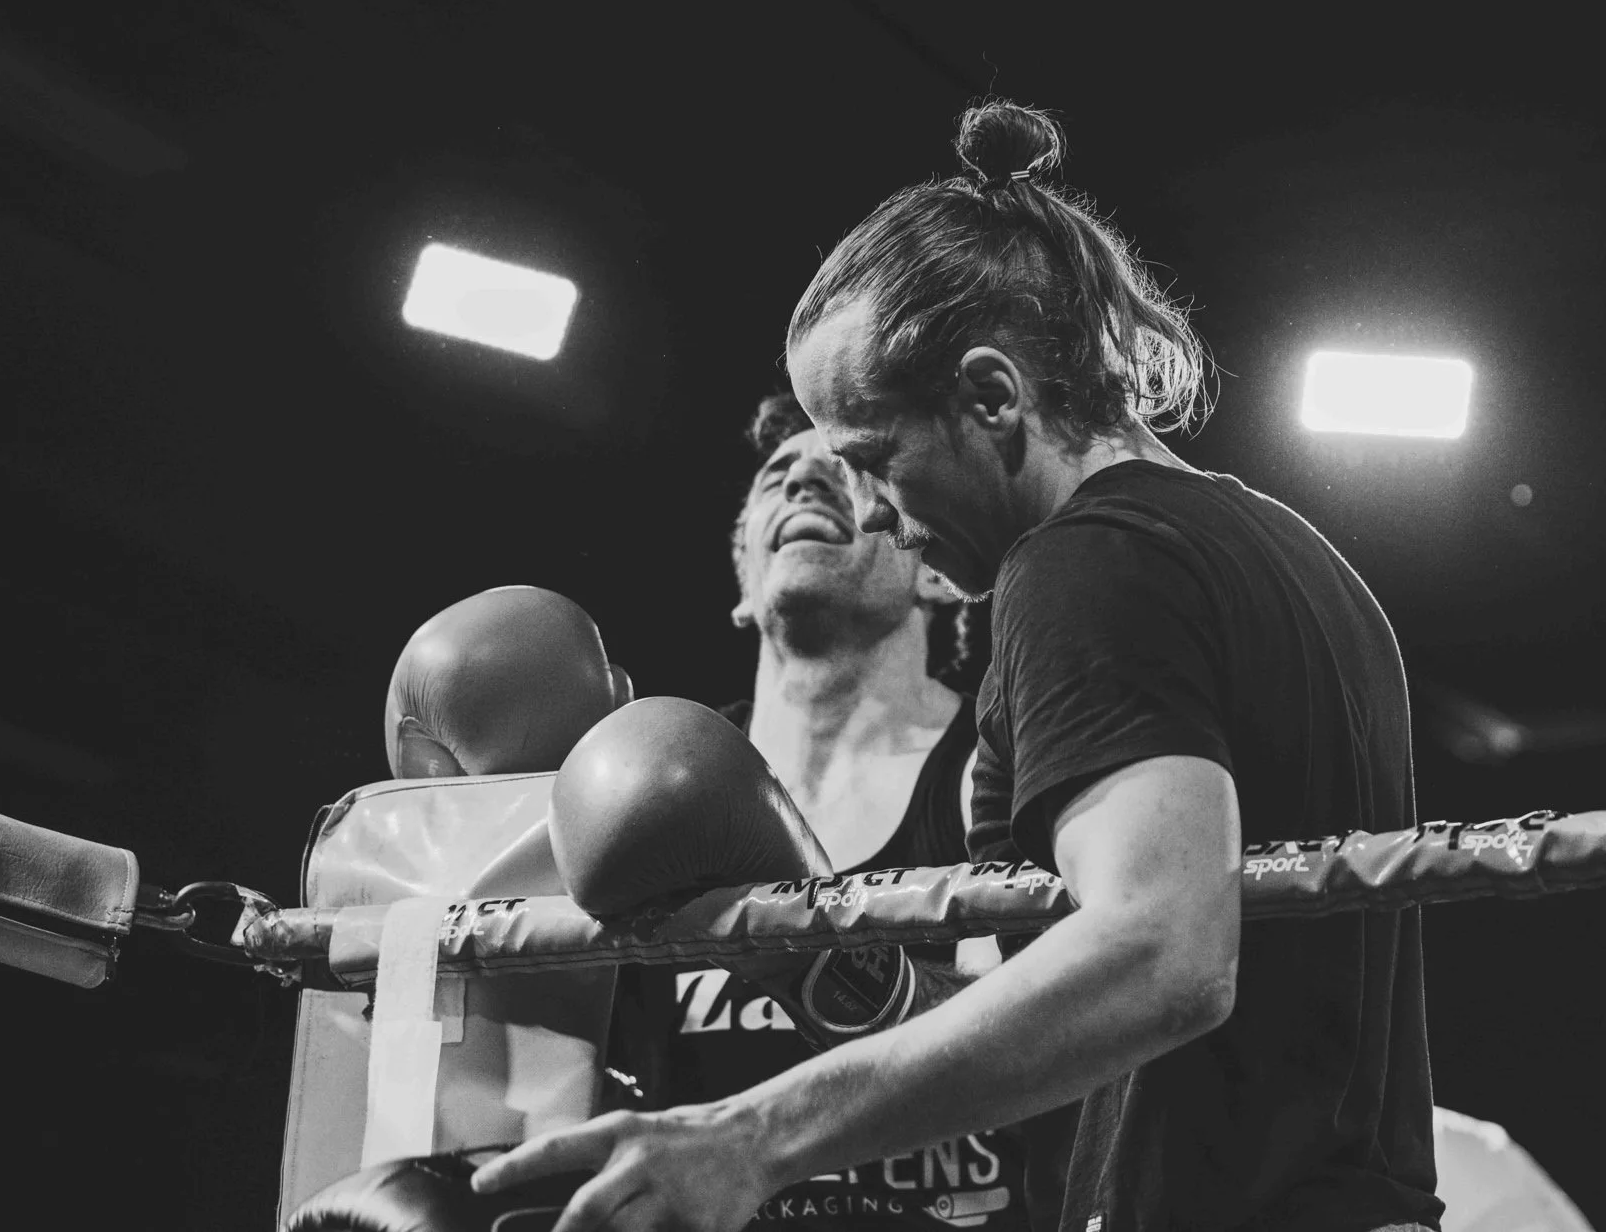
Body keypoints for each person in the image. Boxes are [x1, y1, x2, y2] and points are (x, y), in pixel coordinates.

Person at [474, 101, 1440, 1232]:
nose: (875, 508)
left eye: (873, 459)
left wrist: (752, 1135)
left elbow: (1163, 950)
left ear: (991, 396)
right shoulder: (1295, 556)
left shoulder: (1085, 566)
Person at [600, 393, 1035, 1229]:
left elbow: (1050, 1047)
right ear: (742, 584)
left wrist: (813, 966)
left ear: (936, 568)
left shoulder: (998, 760)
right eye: (776, 476)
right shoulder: (652, 787)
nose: (803, 477)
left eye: (846, 466)